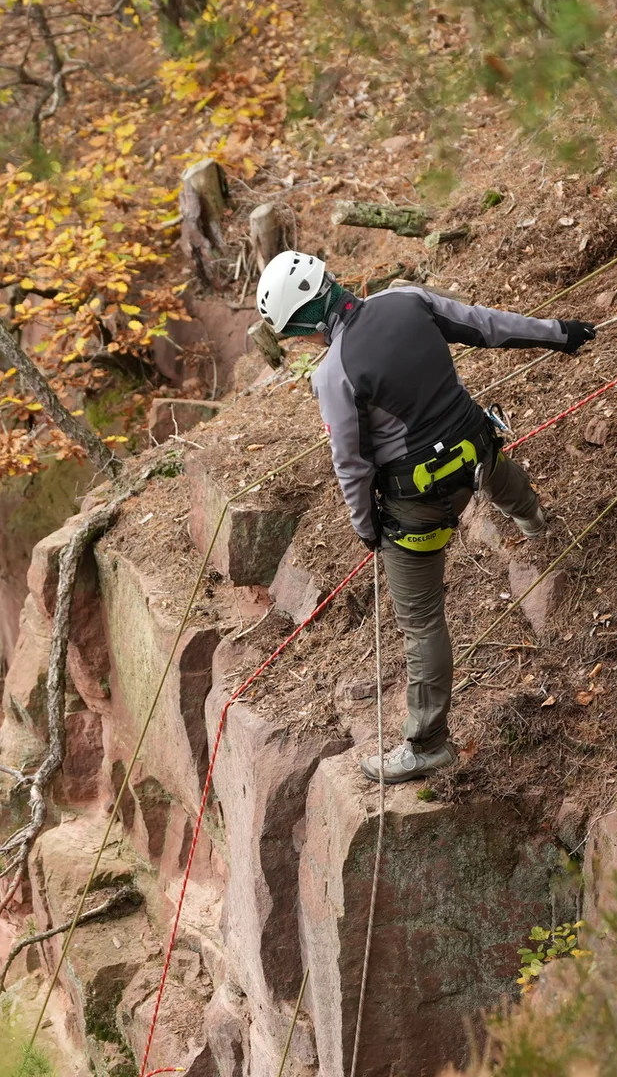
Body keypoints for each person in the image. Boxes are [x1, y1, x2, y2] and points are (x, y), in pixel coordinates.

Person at [255, 251, 596, 784]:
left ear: (305, 321)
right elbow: (485, 326)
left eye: (297, 333)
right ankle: (536, 525)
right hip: (477, 448)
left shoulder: (333, 373)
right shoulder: (405, 298)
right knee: (494, 469)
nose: (303, 343)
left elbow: (352, 464)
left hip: (420, 502)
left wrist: (368, 528)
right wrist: (559, 333)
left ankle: (427, 744)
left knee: (421, 622)